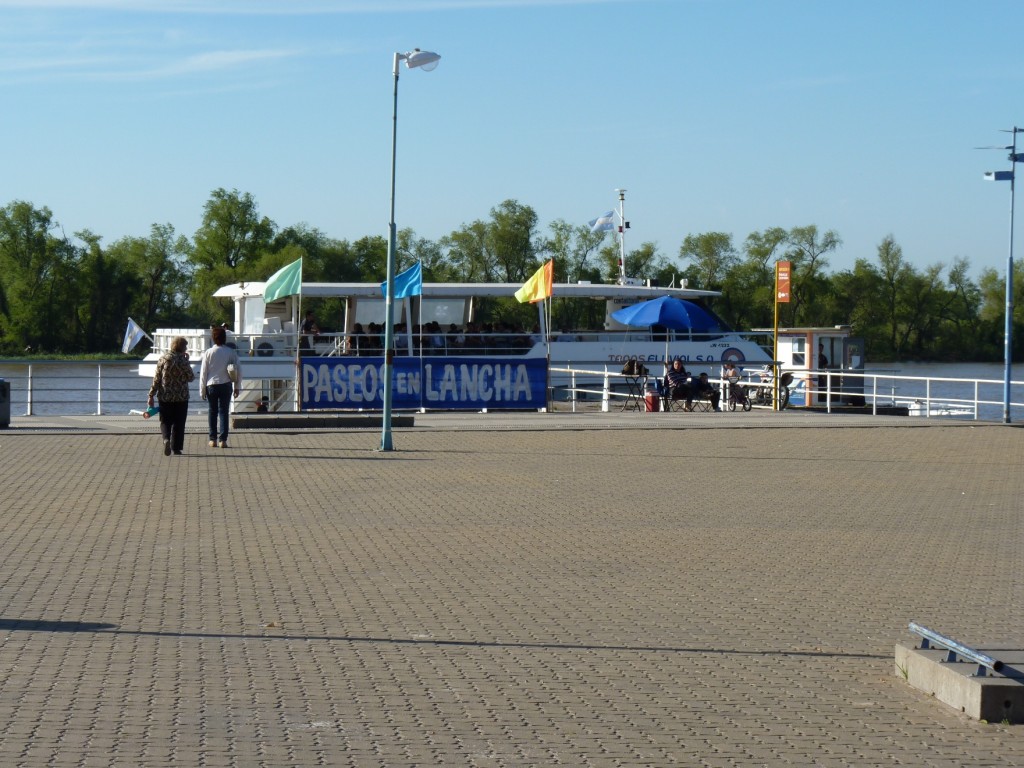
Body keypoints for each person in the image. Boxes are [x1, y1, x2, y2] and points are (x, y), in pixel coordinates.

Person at [147, 336, 195, 456]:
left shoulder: (163, 359)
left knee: (165, 421)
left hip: (165, 396)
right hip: (181, 397)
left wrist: (151, 395)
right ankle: (176, 448)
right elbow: (191, 378)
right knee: (179, 422)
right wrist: (187, 362)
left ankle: (166, 439)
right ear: (182, 347)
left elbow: (157, 379)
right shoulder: (183, 361)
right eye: (186, 346)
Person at [200, 326, 241, 448]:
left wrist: (202, 390)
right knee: (224, 412)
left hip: (211, 385)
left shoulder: (208, 353)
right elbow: (238, 369)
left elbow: (203, 373)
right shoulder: (230, 352)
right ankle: (223, 440)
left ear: (213, 338)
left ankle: (212, 439)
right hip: (226, 384)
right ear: (225, 338)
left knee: (212, 412)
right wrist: (237, 386)